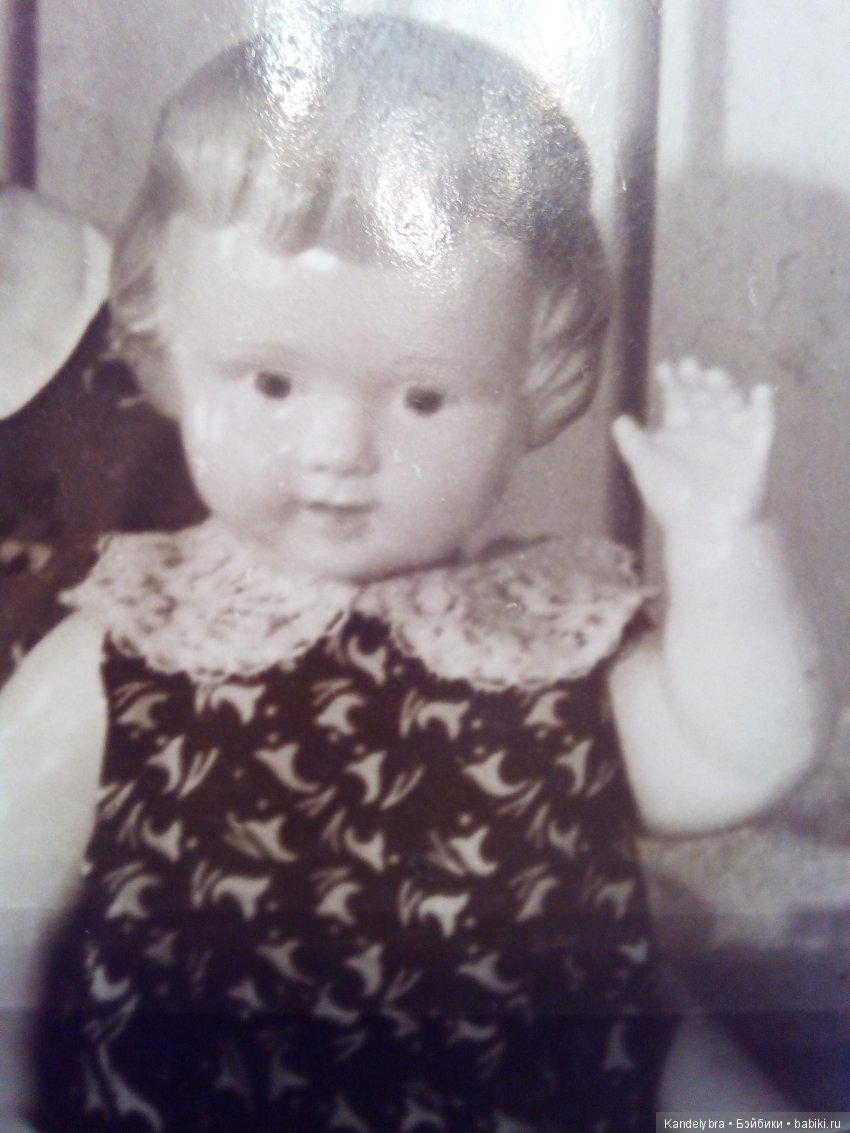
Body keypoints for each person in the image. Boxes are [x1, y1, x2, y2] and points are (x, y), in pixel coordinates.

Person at [0, 14, 829, 1132]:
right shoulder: (130, 646)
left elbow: (734, 756)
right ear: (167, 352)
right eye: (272, 383)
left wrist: (725, 549)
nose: (339, 450)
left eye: (424, 397)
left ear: (536, 386)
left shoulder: (548, 637)